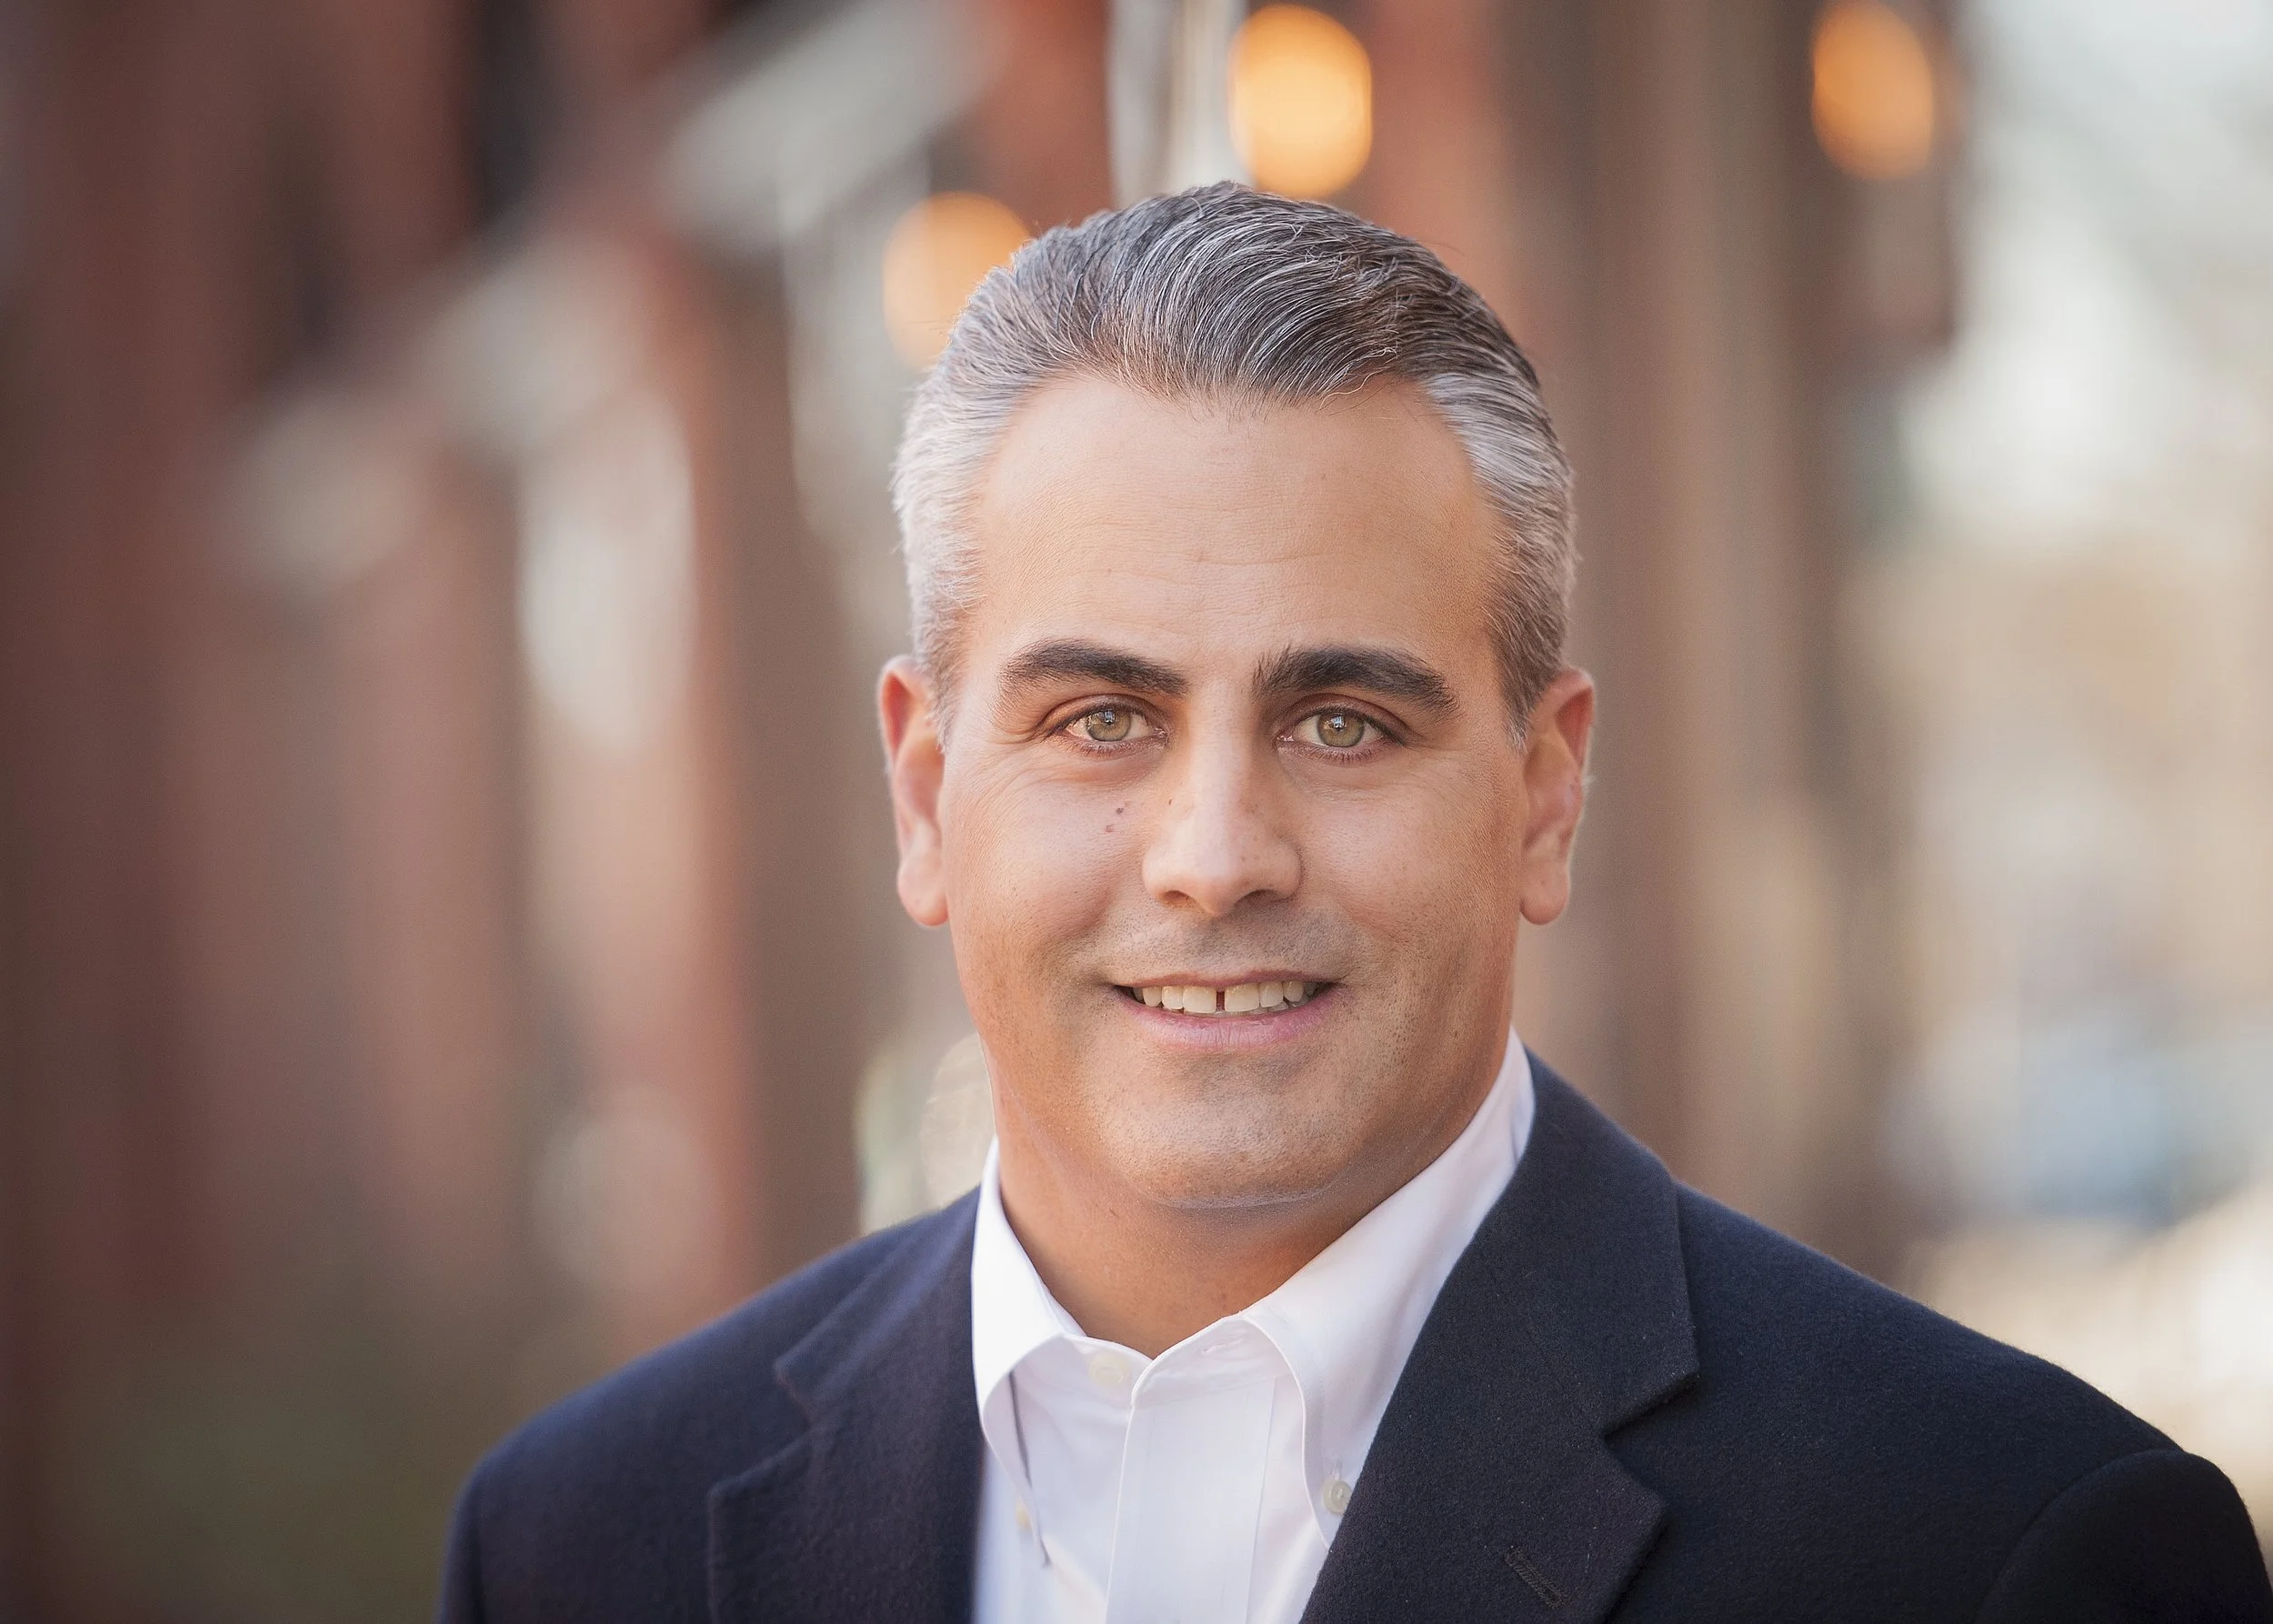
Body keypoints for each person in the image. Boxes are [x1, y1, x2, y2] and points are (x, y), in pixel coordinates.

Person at [436, 184, 2272, 1624]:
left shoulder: (1990, 1549)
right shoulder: (580, 1544)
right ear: (926, 791)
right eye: (1100, 718)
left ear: (1541, 791)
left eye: (1339, 717)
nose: (1215, 849)